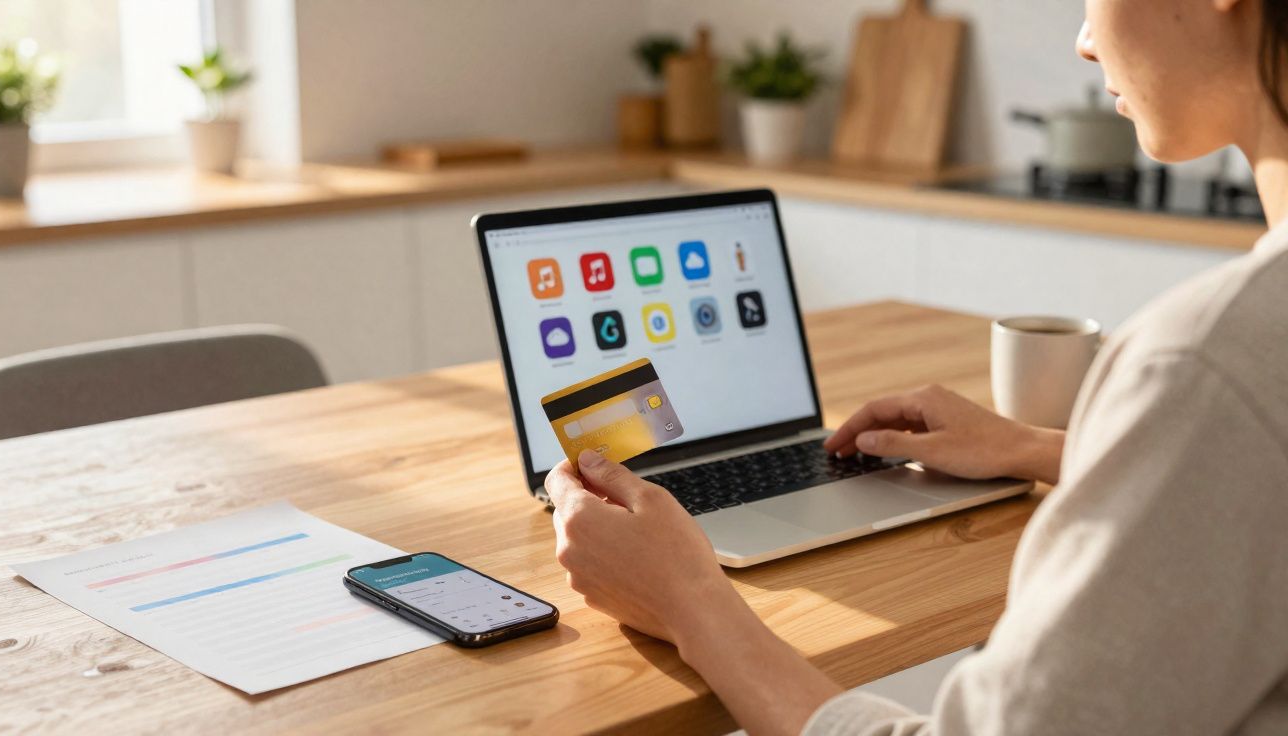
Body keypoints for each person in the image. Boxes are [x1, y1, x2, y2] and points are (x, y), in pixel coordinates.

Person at [545, 0, 1288, 733]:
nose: (1087, 41)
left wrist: (690, 603)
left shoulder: (1204, 360)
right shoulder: (1233, 364)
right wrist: (1039, 448)